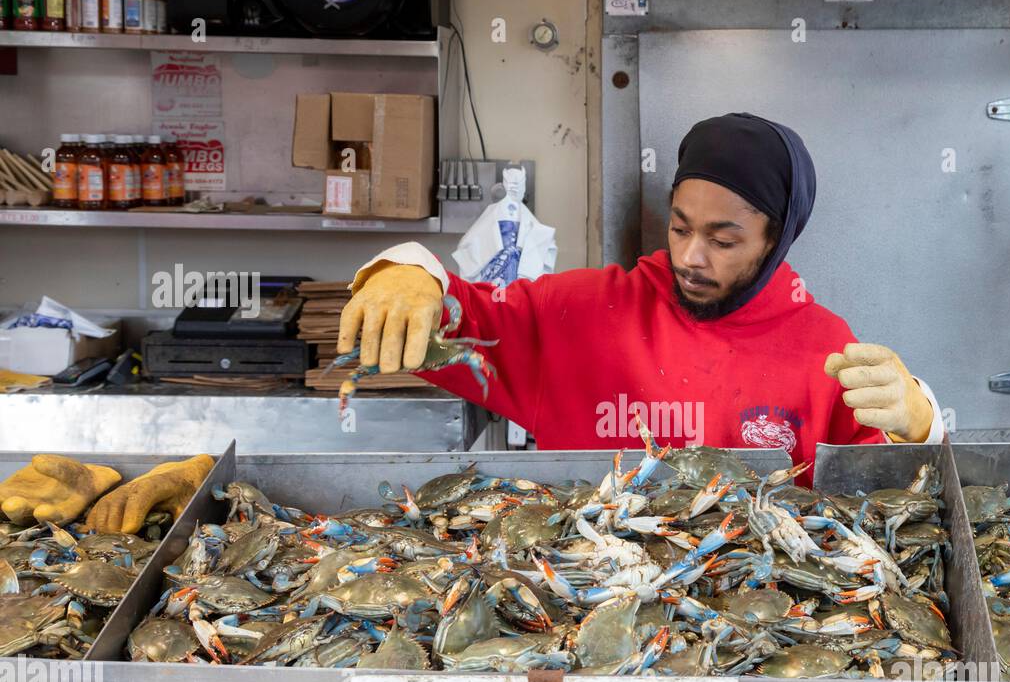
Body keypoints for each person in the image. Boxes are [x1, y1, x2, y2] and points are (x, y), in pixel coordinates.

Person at [338, 112, 944, 469]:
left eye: (723, 240)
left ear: (777, 239)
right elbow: (450, 318)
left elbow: (896, 496)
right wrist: (408, 270)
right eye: (679, 227)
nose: (690, 256)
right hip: (580, 624)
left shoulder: (826, 351)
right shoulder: (579, 314)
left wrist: (921, 422)